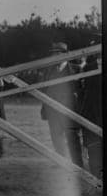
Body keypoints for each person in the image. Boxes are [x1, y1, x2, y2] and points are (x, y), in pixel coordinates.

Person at [39, 41, 83, 166]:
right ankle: (61, 163)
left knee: (72, 139)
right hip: (52, 110)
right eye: (54, 54)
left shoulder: (76, 69)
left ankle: (78, 165)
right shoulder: (48, 71)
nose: (55, 56)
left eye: (58, 53)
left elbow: (80, 92)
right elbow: (44, 90)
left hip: (70, 111)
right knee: (56, 138)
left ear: (66, 54)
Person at [77, 49, 102, 178]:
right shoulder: (88, 68)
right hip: (91, 114)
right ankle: (95, 182)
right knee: (93, 150)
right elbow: (82, 92)